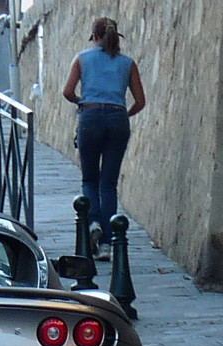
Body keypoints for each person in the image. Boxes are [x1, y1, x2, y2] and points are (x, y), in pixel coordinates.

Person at [63, 17, 145, 262]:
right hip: (118, 121)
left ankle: (94, 223)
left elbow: (67, 92)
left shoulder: (82, 58)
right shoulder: (127, 63)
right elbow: (140, 101)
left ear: (94, 37)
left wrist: (85, 104)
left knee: (90, 178)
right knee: (108, 183)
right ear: (115, 36)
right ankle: (108, 244)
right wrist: (122, 114)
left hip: (90, 119)